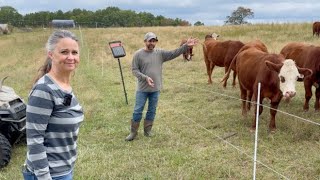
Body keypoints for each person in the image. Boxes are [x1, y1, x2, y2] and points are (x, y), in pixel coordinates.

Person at [22, 30, 84, 180]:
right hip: (49, 174)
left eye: (74, 52)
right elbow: (34, 139)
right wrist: (44, 177)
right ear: (51, 54)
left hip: (63, 169)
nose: (71, 57)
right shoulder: (44, 90)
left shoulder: (64, 85)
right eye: (64, 52)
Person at [125, 32, 198, 141]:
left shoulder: (160, 53)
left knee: (152, 110)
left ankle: (148, 131)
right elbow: (134, 70)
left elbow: (174, 53)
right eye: (150, 41)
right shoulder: (138, 54)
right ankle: (133, 132)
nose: (152, 43)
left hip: (155, 89)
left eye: (154, 41)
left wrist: (186, 46)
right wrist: (145, 78)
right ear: (145, 41)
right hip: (142, 89)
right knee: (138, 110)